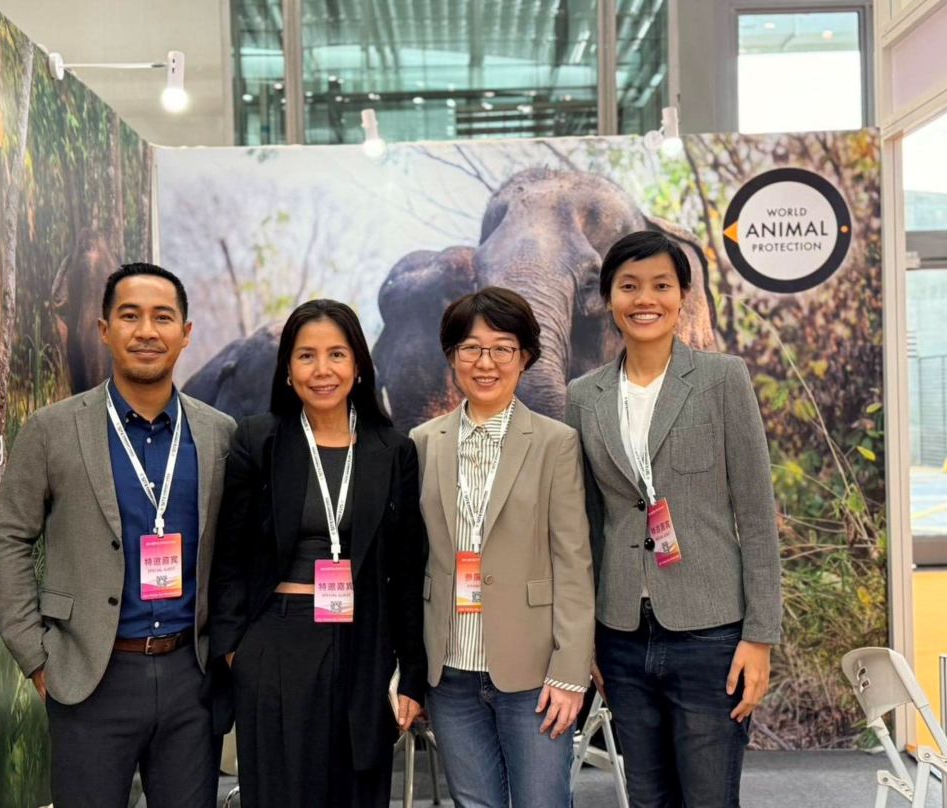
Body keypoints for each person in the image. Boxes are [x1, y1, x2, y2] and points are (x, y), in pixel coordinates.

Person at [0, 263, 237, 808]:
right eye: (130, 316)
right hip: (89, 676)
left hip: (190, 677)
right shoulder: (52, 429)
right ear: (104, 329)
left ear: (185, 333)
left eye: (162, 317)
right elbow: (8, 538)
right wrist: (35, 654)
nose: (146, 331)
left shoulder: (219, 433)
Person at [565, 230, 782, 807]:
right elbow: (586, 526)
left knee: (709, 797)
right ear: (608, 298)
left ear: (683, 295)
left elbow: (757, 515)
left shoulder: (722, 378)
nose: (645, 299)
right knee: (648, 798)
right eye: (629, 286)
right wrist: (587, 637)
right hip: (621, 636)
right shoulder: (583, 396)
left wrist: (759, 637)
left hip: (711, 632)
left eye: (661, 285)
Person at [209, 299, 428, 808]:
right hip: (276, 641)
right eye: (307, 356)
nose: (322, 369)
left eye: (337, 354)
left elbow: (406, 570)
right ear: (288, 370)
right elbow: (229, 558)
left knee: (357, 791)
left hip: (364, 642)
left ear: (358, 366)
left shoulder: (393, 450)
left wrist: (412, 674)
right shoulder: (258, 440)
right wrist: (237, 651)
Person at [410, 287, 595, 808]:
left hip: (534, 669)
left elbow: (573, 563)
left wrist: (570, 673)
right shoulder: (422, 442)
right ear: (452, 357)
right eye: (471, 348)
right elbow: (409, 561)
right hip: (450, 670)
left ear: (526, 357)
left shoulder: (556, 442)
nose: (485, 363)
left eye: (502, 348)